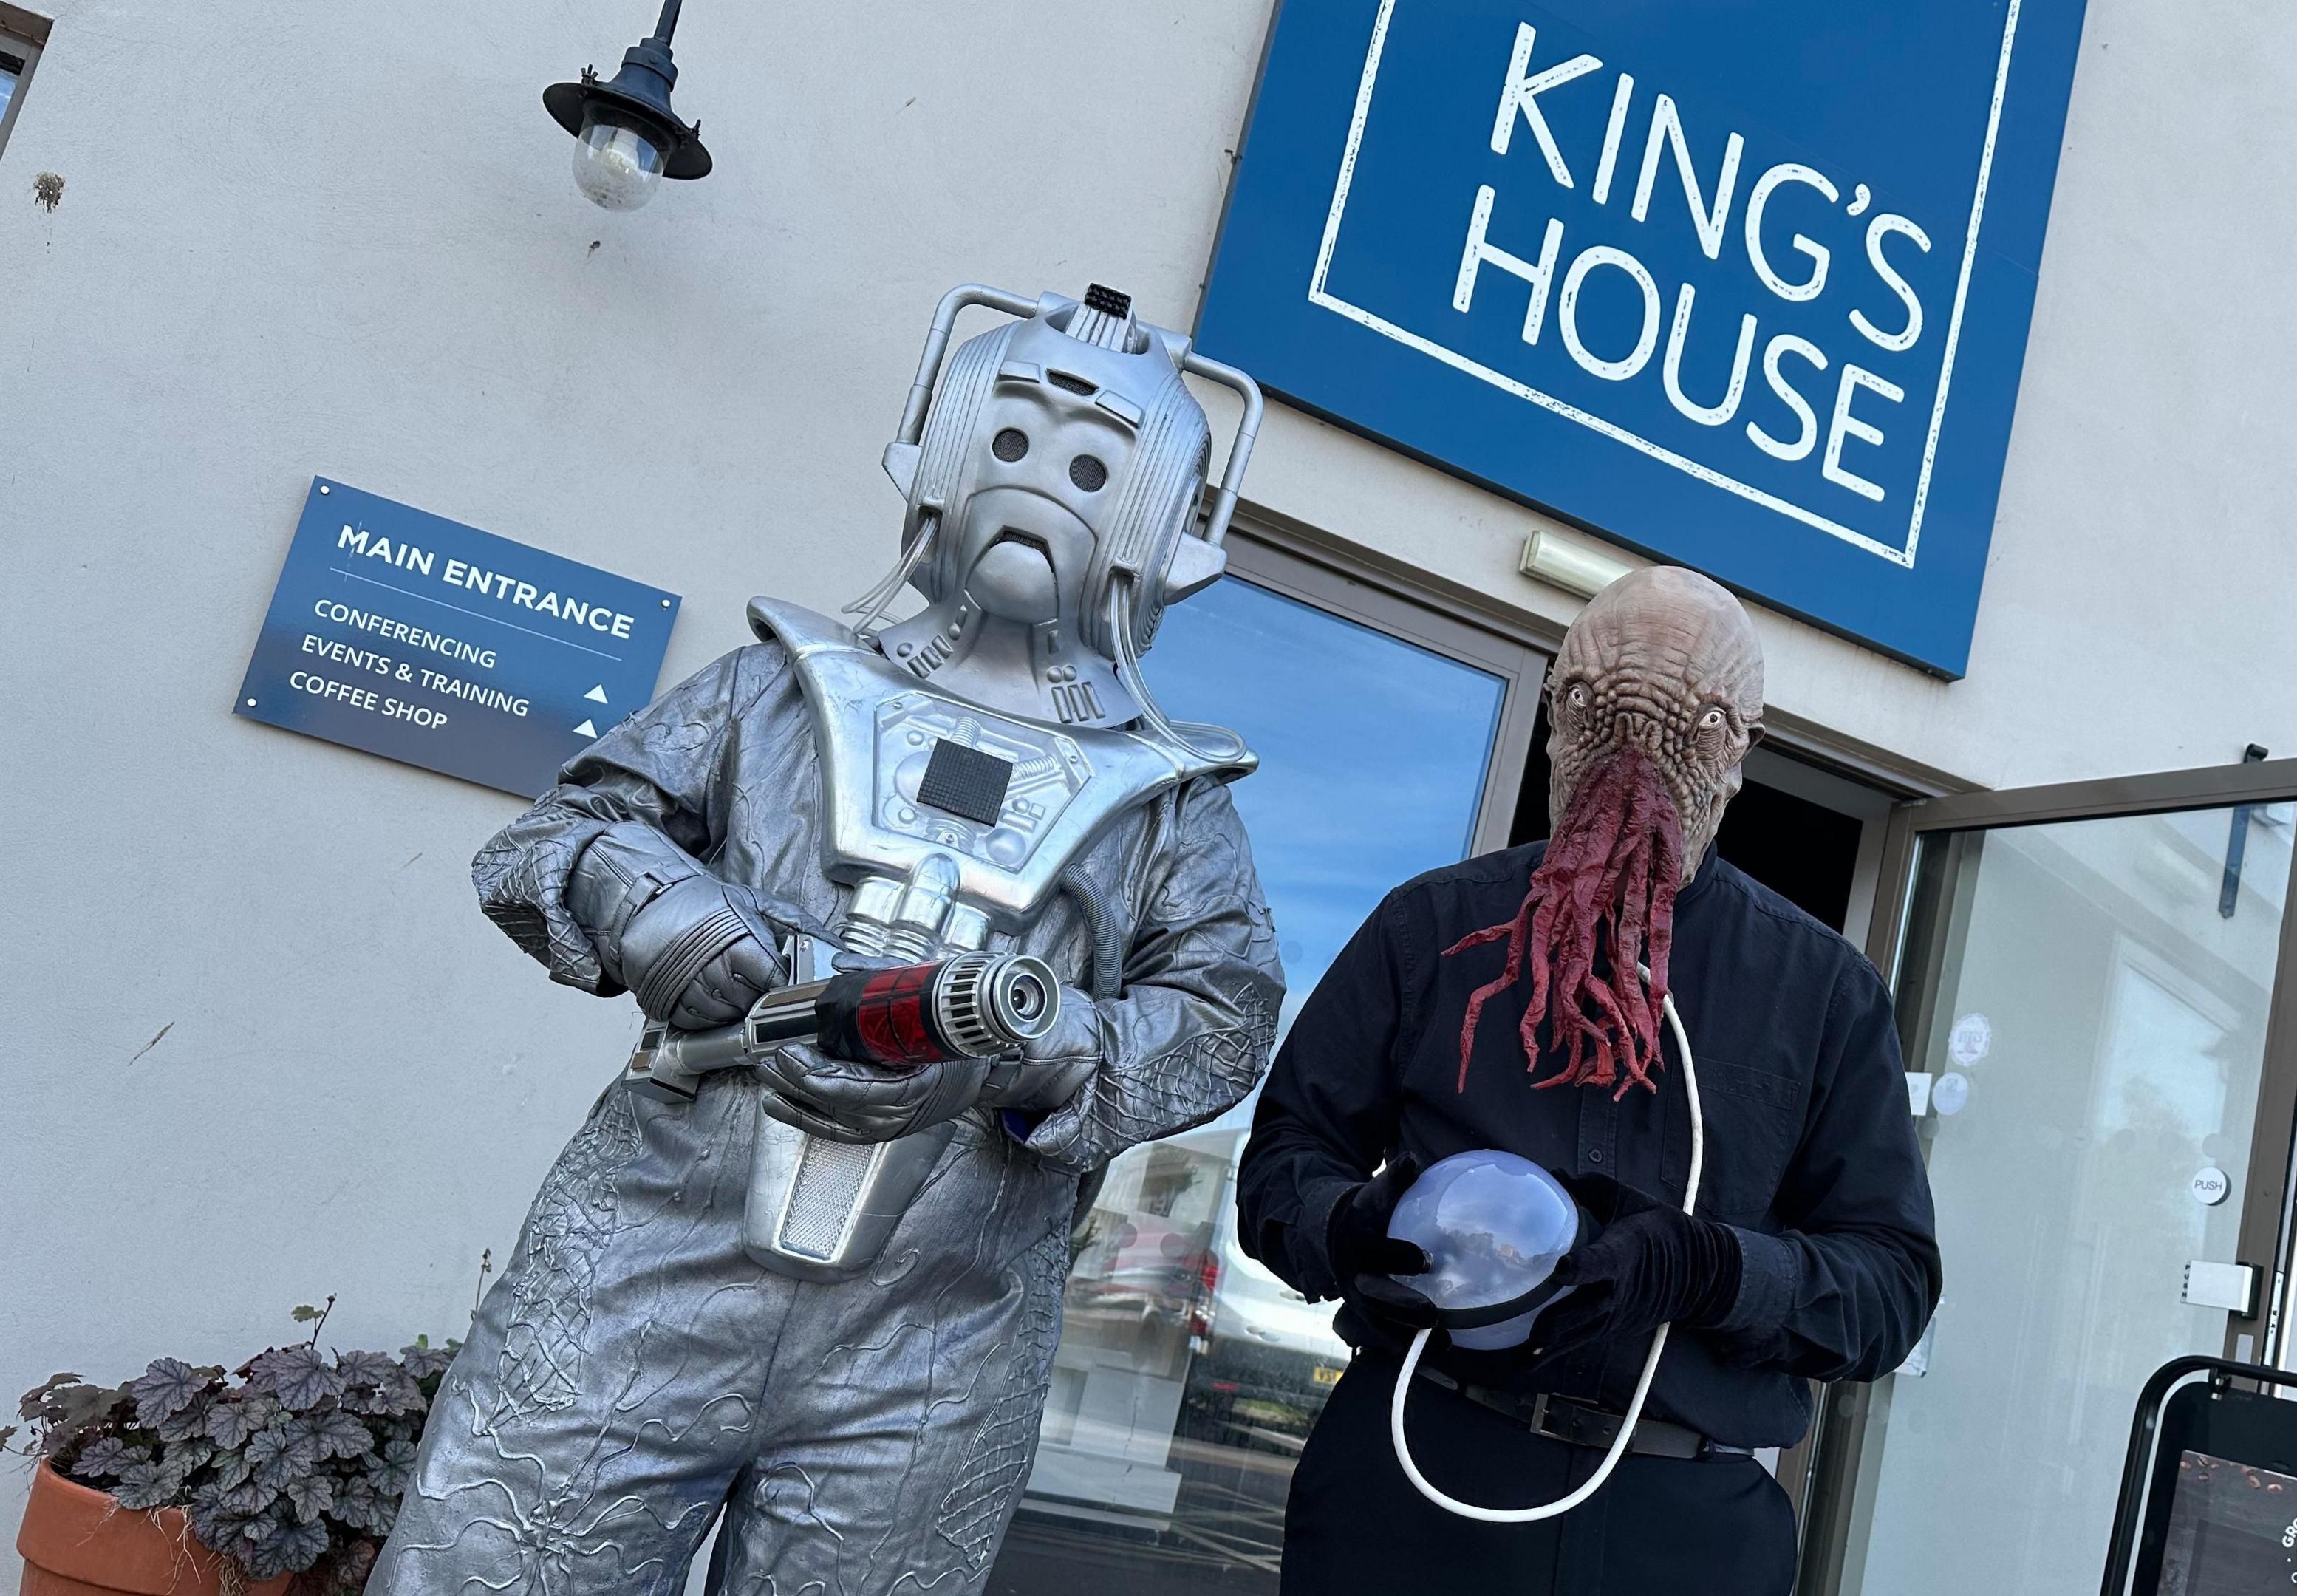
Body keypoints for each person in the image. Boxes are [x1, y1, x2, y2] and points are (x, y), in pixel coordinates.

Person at [372, 285, 1284, 1596]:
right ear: (941, 449)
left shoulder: (1169, 804)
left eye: (1093, 471)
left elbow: (1224, 1012)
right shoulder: (773, 689)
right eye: (1014, 448)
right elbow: (553, 837)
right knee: (491, 1566)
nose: (1043, 493)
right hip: (647, 1260)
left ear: (1163, 529)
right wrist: (651, 904)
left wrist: (1038, 1045)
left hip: (938, 1333)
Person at [1237, 566, 1938, 1596]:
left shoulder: (1824, 990)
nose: (1630, 762)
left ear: (1738, 748)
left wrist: (1711, 1270)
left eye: (1686, 729)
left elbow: (1891, 1287)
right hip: (1416, 1465)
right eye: (1593, 714)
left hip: (1682, 1526)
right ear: (1555, 722)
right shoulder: (1431, 927)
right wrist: (1346, 1226)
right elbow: (1283, 1165)